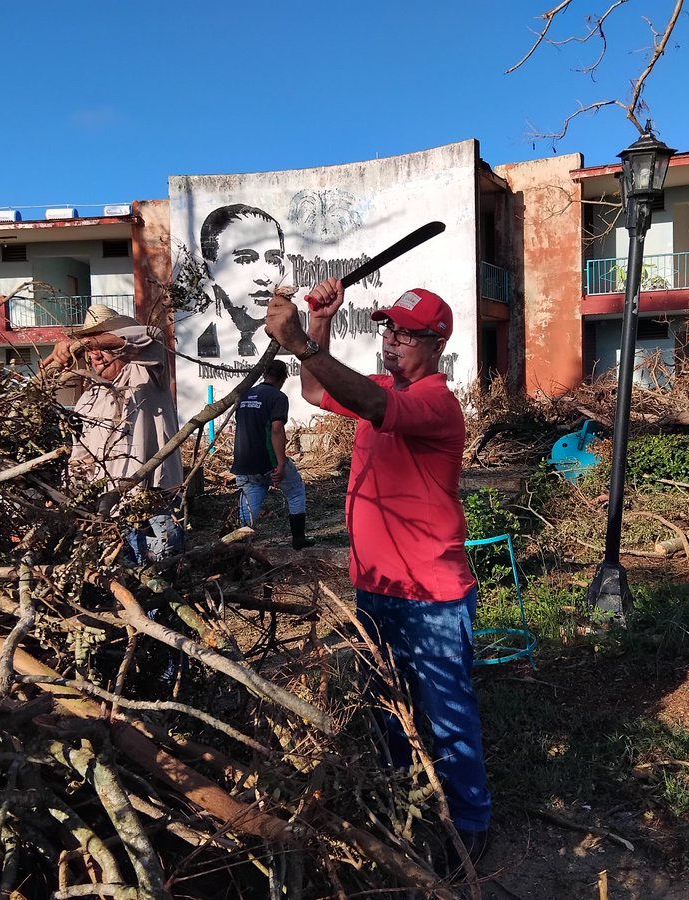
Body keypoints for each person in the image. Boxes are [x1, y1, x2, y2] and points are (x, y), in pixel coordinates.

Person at [263, 278, 491, 872]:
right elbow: (315, 390)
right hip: (376, 586)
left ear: (436, 343)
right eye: (388, 329)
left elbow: (369, 405)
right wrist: (318, 323)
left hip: (431, 595)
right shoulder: (385, 385)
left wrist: (300, 343)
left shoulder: (436, 403)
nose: (391, 342)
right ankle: (401, 804)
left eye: (407, 334)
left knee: (447, 715)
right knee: (386, 705)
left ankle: (469, 823)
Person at [42, 303, 184, 562]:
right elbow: (81, 458)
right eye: (89, 349)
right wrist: (66, 496)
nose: (95, 355)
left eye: (102, 347)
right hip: (114, 509)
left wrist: (85, 343)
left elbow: (153, 334)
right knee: (131, 580)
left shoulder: (148, 374)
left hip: (156, 501)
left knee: (162, 576)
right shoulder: (89, 399)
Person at [231, 358, 315, 549]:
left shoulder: (245, 395)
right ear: (283, 377)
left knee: (248, 510)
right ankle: (298, 539)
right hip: (267, 462)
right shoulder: (277, 397)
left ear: (264, 374)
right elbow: (277, 429)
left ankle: (239, 548)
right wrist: (280, 464)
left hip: (244, 465)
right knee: (295, 491)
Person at [199, 204, 288, 358]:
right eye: (245, 259)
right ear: (211, 267)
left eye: (274, 259)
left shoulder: (292, 339)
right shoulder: (204, 339)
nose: (264, 277)